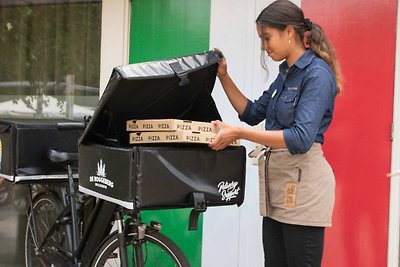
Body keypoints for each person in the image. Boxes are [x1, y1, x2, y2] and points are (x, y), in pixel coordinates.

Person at [209, 0, 343, 266]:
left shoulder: (317, 74)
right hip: (277, 189)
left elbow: (301, 138)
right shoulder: (285, 75)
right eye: (261, 39)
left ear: (290, 32)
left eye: (267, 37)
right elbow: (252, 112)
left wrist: (240, 134)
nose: (263, 46)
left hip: (304, 190)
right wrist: (223, 76)